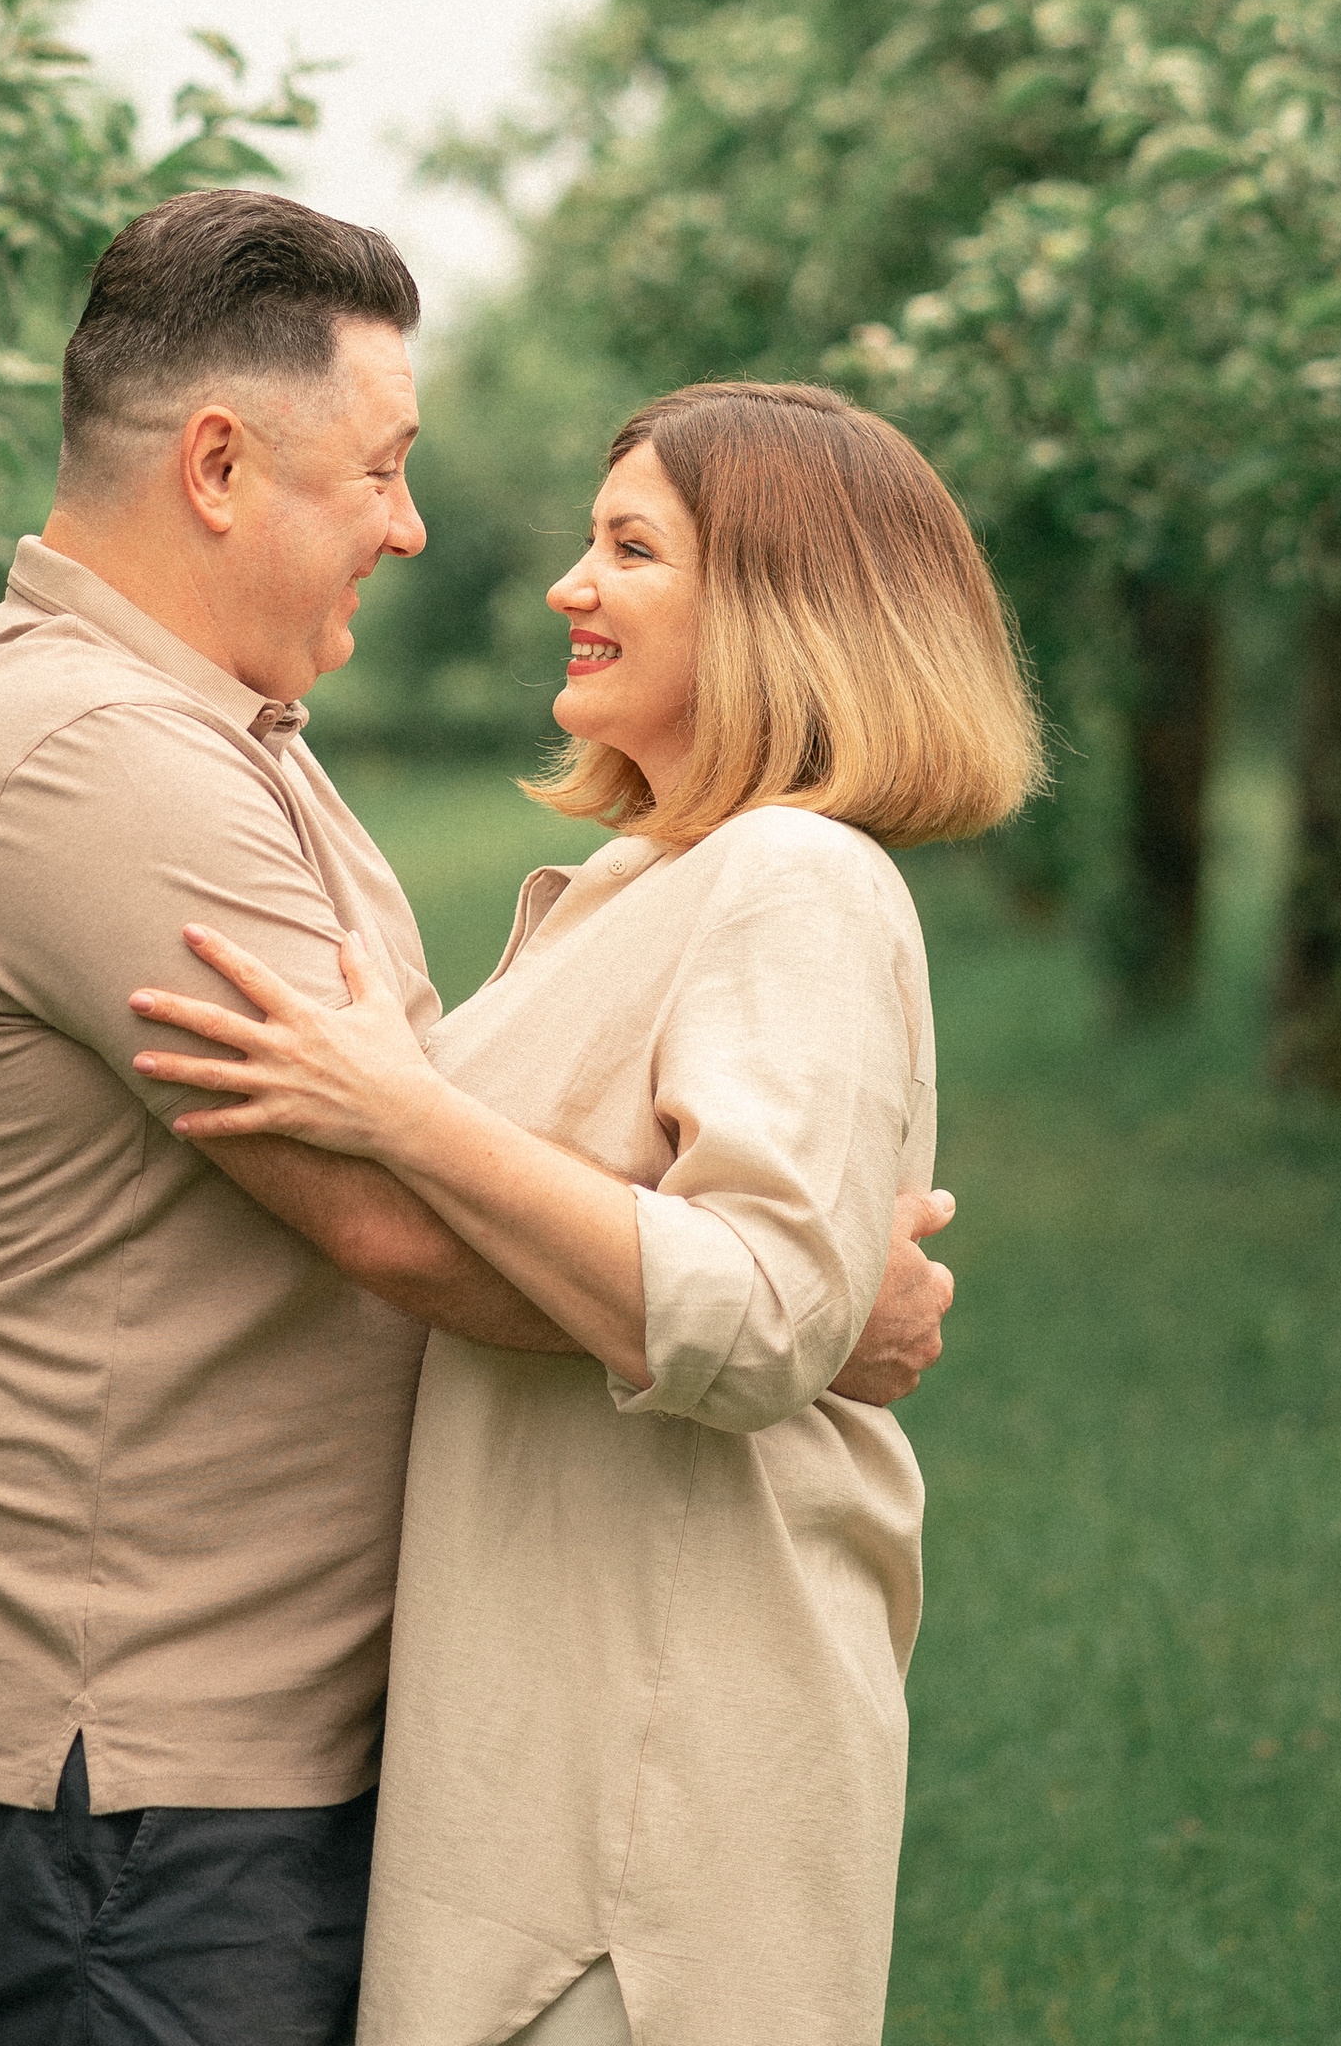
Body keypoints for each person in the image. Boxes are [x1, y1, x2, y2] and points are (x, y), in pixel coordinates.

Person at [0, 194, 956, 2046]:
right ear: (217, 463)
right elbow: (397, 1219)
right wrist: (804, 1325)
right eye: (385, 470)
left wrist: (784, 1283)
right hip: (110, 1774)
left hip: (202, 1773)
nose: (418, 527)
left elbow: (443, 1132)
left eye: (629, 546)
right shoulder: (102, 760)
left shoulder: (247, 743)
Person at [129, 375, 1043, 2046]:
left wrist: (400, 1115)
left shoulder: (800, 880)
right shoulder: (651, 884)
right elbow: (780, 1294)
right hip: (546, 1738)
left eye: (632, 547)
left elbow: (762, 1314)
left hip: (660, 1776)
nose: (570, 582)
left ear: (781, 612)